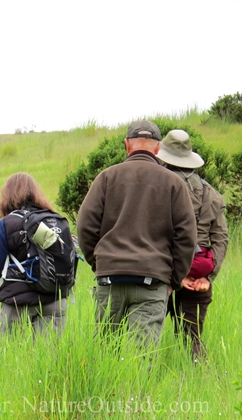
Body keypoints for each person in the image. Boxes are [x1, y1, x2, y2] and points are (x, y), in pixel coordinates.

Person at [76, 120, 197, 349]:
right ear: (158, 148)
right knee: (141, 361)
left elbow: (85, 227)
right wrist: (173, 279)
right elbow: (187, 237)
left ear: (127, 145)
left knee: (106, 357)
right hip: (152, 281)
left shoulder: (106, 178)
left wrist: (101, 263)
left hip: (110, 279)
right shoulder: (174, 183)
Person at [157, 129, 228, 361]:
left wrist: (176, 276)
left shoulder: (159, 187)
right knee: (192, 339)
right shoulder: (213, 195)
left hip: (161, 272)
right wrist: (207, 278)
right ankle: (200, 380)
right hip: (199, 274)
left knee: (146, 337)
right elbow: (220, 239)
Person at [0, 172, 69, 337]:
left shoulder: (6, 224)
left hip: (17, 303)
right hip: (55, 299)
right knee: (49, 360)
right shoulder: (56, 220)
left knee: (12, 359)